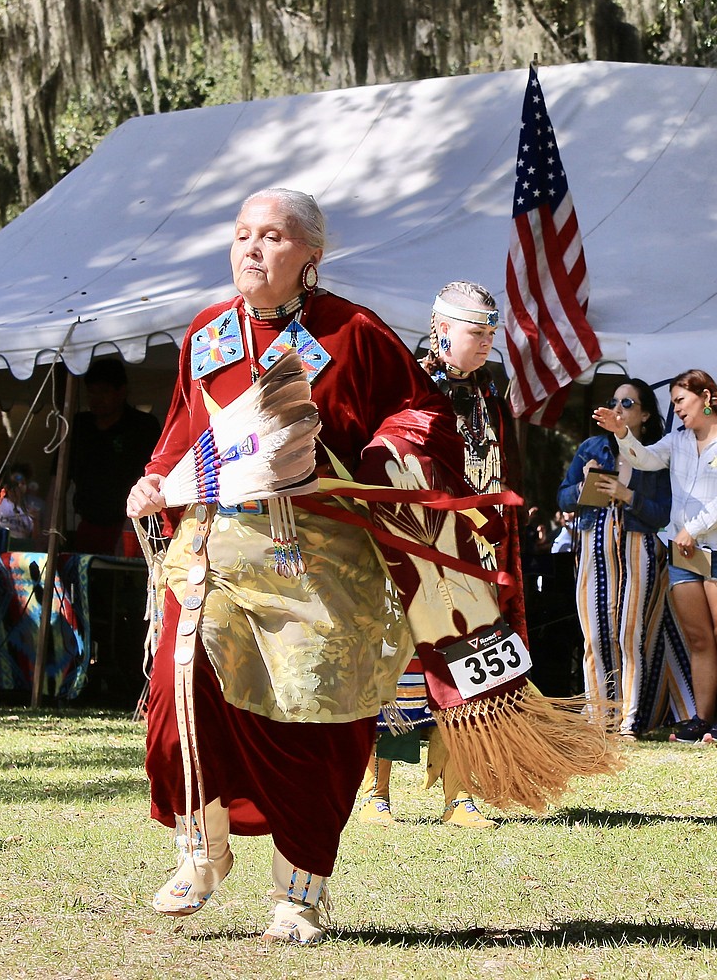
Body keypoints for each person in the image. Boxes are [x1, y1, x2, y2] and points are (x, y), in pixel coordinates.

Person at [126, 188, 461, 943]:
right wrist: (156, 478)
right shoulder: (208, 332)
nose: (252, 248)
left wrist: (381, 455)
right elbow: (185, 429)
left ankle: (299, 894)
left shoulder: (354, 333)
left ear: (311, 255)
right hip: (214, 546)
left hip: (321, 561)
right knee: (181, 682)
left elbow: (423, 417)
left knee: (315, 720)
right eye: (242, 233)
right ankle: (201, 849)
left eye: (273, 236)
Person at [358, 281, 516, 831]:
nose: (487, 343)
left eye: (492, 333)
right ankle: (377, 794)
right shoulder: (408, 387)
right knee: (400, 666)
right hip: (412, 546)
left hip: (473, 548)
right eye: (477, 332)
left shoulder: (491, 393)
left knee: (469, 665)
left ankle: (460, 795)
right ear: (442, 329)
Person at [593, 369, 717, 745]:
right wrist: (622, 434)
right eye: (673, 404)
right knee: (699, 639)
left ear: (704, 397)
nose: (677, 410)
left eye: (681, 401)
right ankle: (701, 719)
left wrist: (693, 528)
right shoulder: (679, 441)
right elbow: (644, 459)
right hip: (685, 551)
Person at [560, 379, 692, 735]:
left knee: (629, 634)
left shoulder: (656, 454)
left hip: (637, 548)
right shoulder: (592, 448)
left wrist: (626, 494)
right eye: (613, 401)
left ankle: (629, 719)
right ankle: (598, 719)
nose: (618, 408)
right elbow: (564, 500)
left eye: (628, 403)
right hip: (593, 546)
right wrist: (582, 485)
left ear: (645, 415)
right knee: (595, 636)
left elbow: (661, 513)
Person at [68, 357, 161, 556]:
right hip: (87, 523)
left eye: (103, 392)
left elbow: (154, 476)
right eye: (91, 392)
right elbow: (57, 479)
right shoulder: (79, 426)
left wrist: (129, 527)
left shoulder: (142, 426)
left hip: (132, 524)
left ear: (121, 391)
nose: (96, 399)